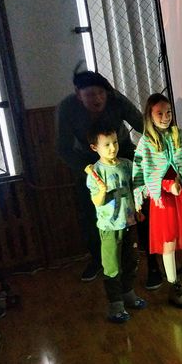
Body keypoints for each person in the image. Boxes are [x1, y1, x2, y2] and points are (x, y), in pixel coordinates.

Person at [57, 68, 164, 288]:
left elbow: (142, 124)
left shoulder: (116, 99)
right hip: (88, 160)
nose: (97, 99)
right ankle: (98, 259)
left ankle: (153, 265)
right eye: (90, 94)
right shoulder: (67, 108)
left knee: (142, 207)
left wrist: (161, 148)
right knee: (89, 213)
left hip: (122, 152)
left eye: (101, 93)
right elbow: (63, 148)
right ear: (78, 95)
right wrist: (88, 170)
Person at [132, 93, 182, 308]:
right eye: (160, 113)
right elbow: (143, 174)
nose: (165, 117)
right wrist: (164, 186)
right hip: (163, 201)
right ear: (150, 115)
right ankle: (174, 287)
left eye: (168, 113)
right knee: (169, 243)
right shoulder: (146, 143)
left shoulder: (180, 136)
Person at [85, 122, 147, 323]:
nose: (113, 148)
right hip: (109, 228)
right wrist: (102, 191)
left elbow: (136, 187)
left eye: (115, 142)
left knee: (131, 261)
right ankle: (115, 304)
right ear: (94, 147)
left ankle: (128, 293)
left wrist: (138, 208)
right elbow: (97, 201)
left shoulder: (126, 165)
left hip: (129, 223)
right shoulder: (96, 172)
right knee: (112, 266)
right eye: (107, 145)